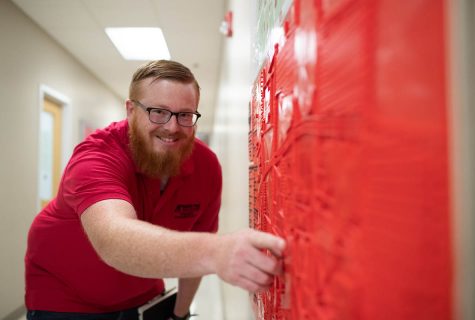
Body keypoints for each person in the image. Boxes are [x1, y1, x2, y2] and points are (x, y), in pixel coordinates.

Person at [25, 60, 285, 320]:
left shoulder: (205, 166)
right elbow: (112, 239)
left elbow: (196, 251)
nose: (171, 127)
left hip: (143, 292)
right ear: (130, 110)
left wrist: (179, 314)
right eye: (158, 112)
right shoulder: (96, 157)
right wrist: (217, 252)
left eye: (184, 115)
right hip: (66, 297)